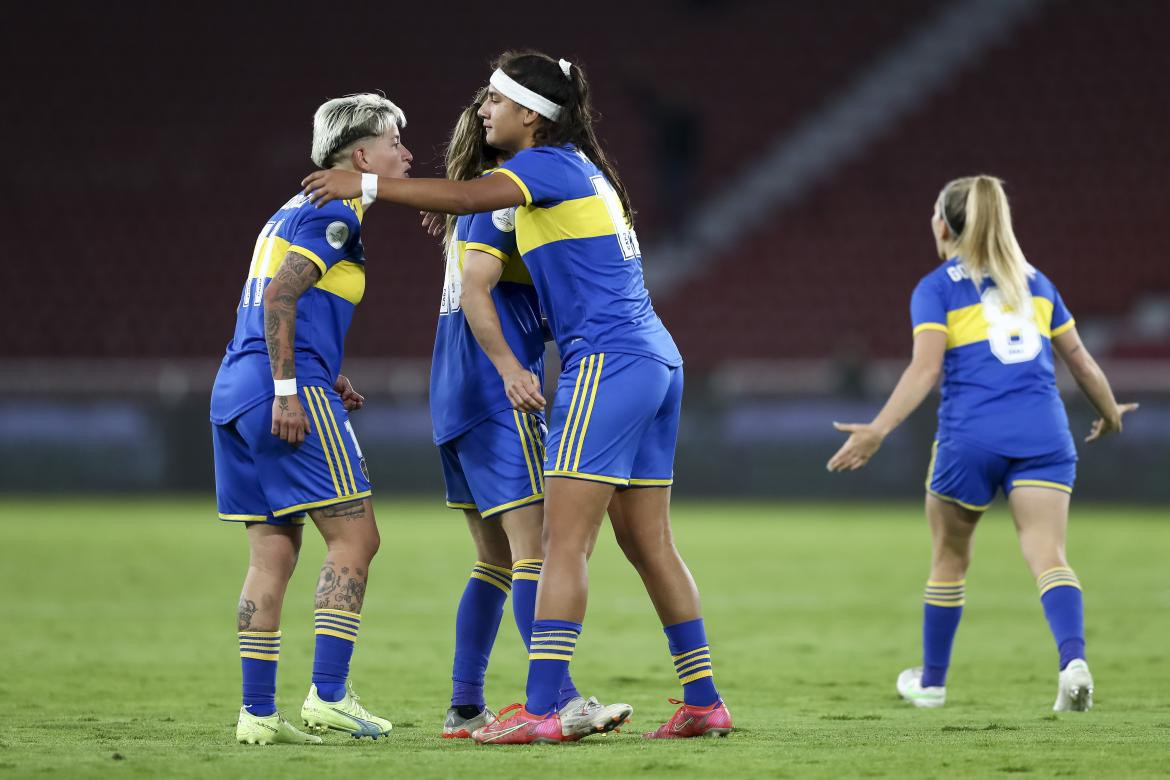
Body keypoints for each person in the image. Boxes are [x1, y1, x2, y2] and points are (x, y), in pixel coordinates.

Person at [301, 51, 732, 743]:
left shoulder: (541, 167)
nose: (482, 110)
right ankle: (704, 701)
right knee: (649, 545)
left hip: (609, 363)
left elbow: (470, 200)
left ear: (532, 114)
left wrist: (368, 186)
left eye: (495, 101)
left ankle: (540, 709)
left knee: (558, 543)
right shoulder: (583, 170)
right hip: (656, 358)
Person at [827, 175, 1138, 712]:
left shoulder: (937, 287)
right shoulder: (1037, 283)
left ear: (944, 225)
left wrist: (879, 429)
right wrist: (1109, 413)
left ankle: (932, 682)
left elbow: (924, 370)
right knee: (1049, 555)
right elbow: (1081, 361)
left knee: (949, 559)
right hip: (1044, 433)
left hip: (970, 437)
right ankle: (1073, 662)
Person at [211, 93, 411, 744]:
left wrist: (320, 370)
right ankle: (329, 695)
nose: (405, 153)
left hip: (236, 391)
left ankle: (258, 714)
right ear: (360, 155)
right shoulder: (336, 214)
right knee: (357, 539)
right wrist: (292, 388)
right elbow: (281, 295)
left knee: (272, 551)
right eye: (394, 141)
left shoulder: (289, 211)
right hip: (276, 390)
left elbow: (279, 306)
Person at [429, 90, 629, 740]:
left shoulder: (487, 203)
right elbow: (484, 292)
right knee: (535, 551)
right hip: (494, 392)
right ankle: (561, 700)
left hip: (455, 391)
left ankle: (464, 707)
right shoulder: (503, 197)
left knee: (493, 561)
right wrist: (514, 370)